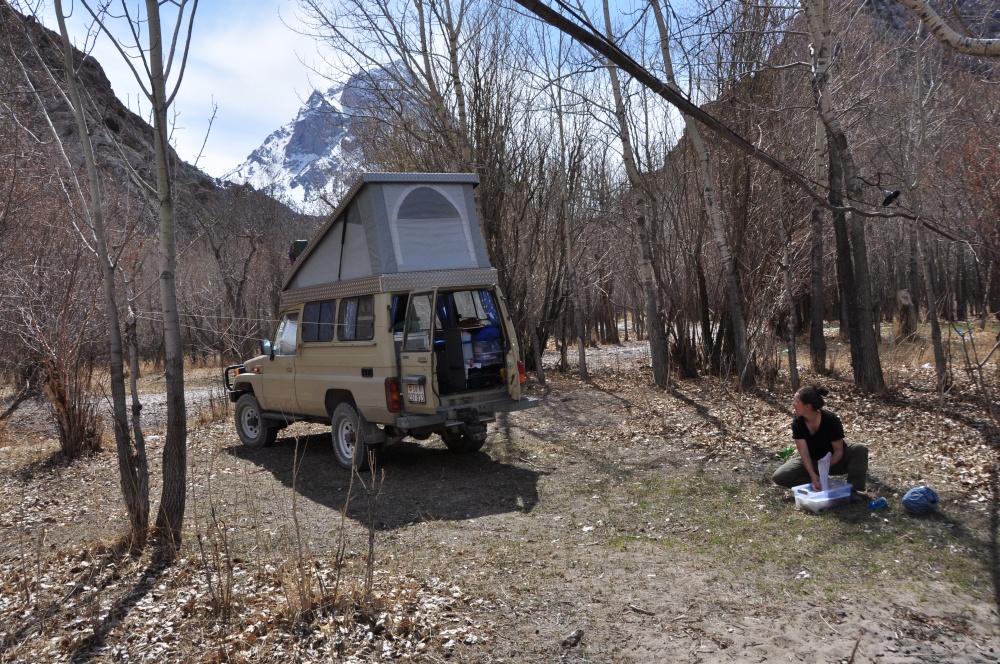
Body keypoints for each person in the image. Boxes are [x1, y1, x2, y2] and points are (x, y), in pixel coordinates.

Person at [772, 385, 869, 501]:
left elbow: (838, 450)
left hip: (835, 462)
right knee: (779, 476)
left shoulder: (831, 420)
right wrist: (813, 474)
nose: (793, 404)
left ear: (807, 406)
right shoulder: (798, 422)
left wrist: (827, 464)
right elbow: (803, 452)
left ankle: (853, 490)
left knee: (859, 448)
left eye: (796, 401)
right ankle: (820, 485)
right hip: (813, 462)